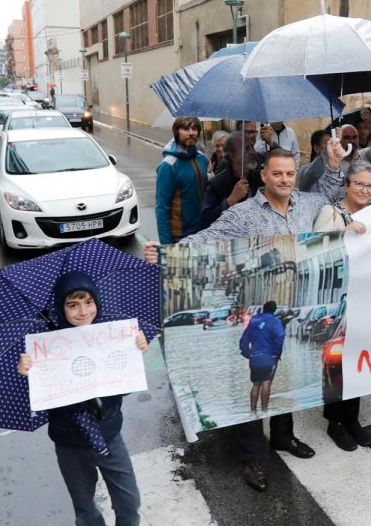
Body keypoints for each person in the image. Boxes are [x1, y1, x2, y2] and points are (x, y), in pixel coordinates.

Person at [143, 140, 349, 492]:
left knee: (283, 381)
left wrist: (331, 162)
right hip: (254, 310)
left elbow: (331, 193)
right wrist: (167, 252)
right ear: (264, 176)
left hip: (293, 304)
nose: (284, 180)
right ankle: (252, 457)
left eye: (290, 173)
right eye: (277, 174)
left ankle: (283, 437)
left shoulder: (307, 204)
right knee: (254, 385)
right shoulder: (243, 215)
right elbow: (207, 238)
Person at [17, 271, 150, 526]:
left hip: (109, 434)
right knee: (85, 509)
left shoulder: (109, 335)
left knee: (129, 502)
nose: (82, 311)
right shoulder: (45, 345)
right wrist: (27, 372)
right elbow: (37, 399)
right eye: (73, 305)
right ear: (61, 308)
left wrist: (135, 351)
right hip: (69, 442)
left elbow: (123, 385)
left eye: (89, 302)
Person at [312, 160, 371, 451]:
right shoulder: (331, 212)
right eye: (359, 184)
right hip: (335, 301)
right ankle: (335, 422)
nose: (365, 190)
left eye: (370, 185)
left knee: (359, 358)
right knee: (336, 362)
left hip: (367, 299)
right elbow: (317, 249)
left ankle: (353, 418)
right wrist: (341, 233)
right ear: (346, 185)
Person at [155, 117, 208, 244]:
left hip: (202, 230)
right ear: (176, 132)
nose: (191, 132)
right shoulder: (168, 166)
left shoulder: (201, 158)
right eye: (186, 128)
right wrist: (166, 246)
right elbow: (162, 209)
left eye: (195, 128)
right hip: (179, 236)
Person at [201, 132, 263, 228]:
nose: (253, 152)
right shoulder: (216, 185)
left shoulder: (261, 179)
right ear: (233, 156)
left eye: (252, 147)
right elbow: (206, 221)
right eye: (246, 149)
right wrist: (231, 200)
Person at [240, 301, 285, 416]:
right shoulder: (275, 322)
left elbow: (244, 339)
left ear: (263, 309)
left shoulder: (253, 321)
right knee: (266, 383)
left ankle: (253, 412)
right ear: (274, 310)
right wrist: (277, 354)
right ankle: (264, 411)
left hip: (254, 357)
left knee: (256, 384)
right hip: (268, 357)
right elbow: (280, 338)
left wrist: (247, 354)